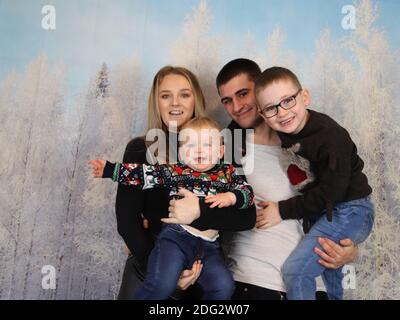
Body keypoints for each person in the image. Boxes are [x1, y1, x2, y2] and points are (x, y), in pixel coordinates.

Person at [174, 58, 360, 300]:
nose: (237, 106)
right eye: (227, 101)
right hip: (252, 281)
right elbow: (204, 207)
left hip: (313, 285)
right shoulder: (224, 149)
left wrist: (350, 249)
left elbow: (343, 197)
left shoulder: (312, 137)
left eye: (243, 94)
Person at [114, 66, 256, 299]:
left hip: (201, 272)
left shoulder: (222, 149)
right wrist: (165, 275)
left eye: (184, 94)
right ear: (156, 102)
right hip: (150, 272)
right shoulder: (141, 149)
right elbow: (127, 221)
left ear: (196, 100)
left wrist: (199, 211)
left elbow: (246, 216)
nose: (175, 103)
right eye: (165, 95)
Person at [90, 117, 254, 300]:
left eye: (207, 144)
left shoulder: (228, 173)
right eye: (191, 145)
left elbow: (247, 194)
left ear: (221, 151)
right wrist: (110, 170)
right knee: (162, 283)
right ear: (182, 153)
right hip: (176, 239)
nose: (199, 150)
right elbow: (144, 175)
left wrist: (231, 197)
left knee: (223, 287)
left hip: (208, 248)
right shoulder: (177, 171)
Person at [253, 66, 374, 300]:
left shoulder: (330, 136)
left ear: (304, 97)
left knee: (296, 272)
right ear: (262, 114)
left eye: (288, 100)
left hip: (350, 210)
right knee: (330, 277)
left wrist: (282, 210)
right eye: (271, 108)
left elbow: (331, 193)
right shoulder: (289, 130)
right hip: (330, 212)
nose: (282, 112)